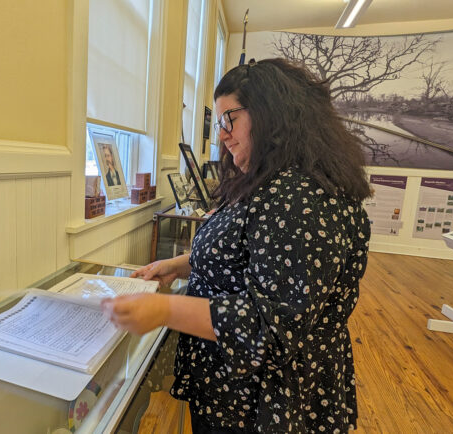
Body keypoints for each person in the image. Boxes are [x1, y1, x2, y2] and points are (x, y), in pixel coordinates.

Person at [102, 58, 371, 433]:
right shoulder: (267, 180)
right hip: (233, 385)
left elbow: (272, 327)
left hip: (263, 401)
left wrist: (164, 309)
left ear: (273, 116)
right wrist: (181, 264)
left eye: (231, 119)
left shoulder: (299, 199)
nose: (223, 133)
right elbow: (247, 255)